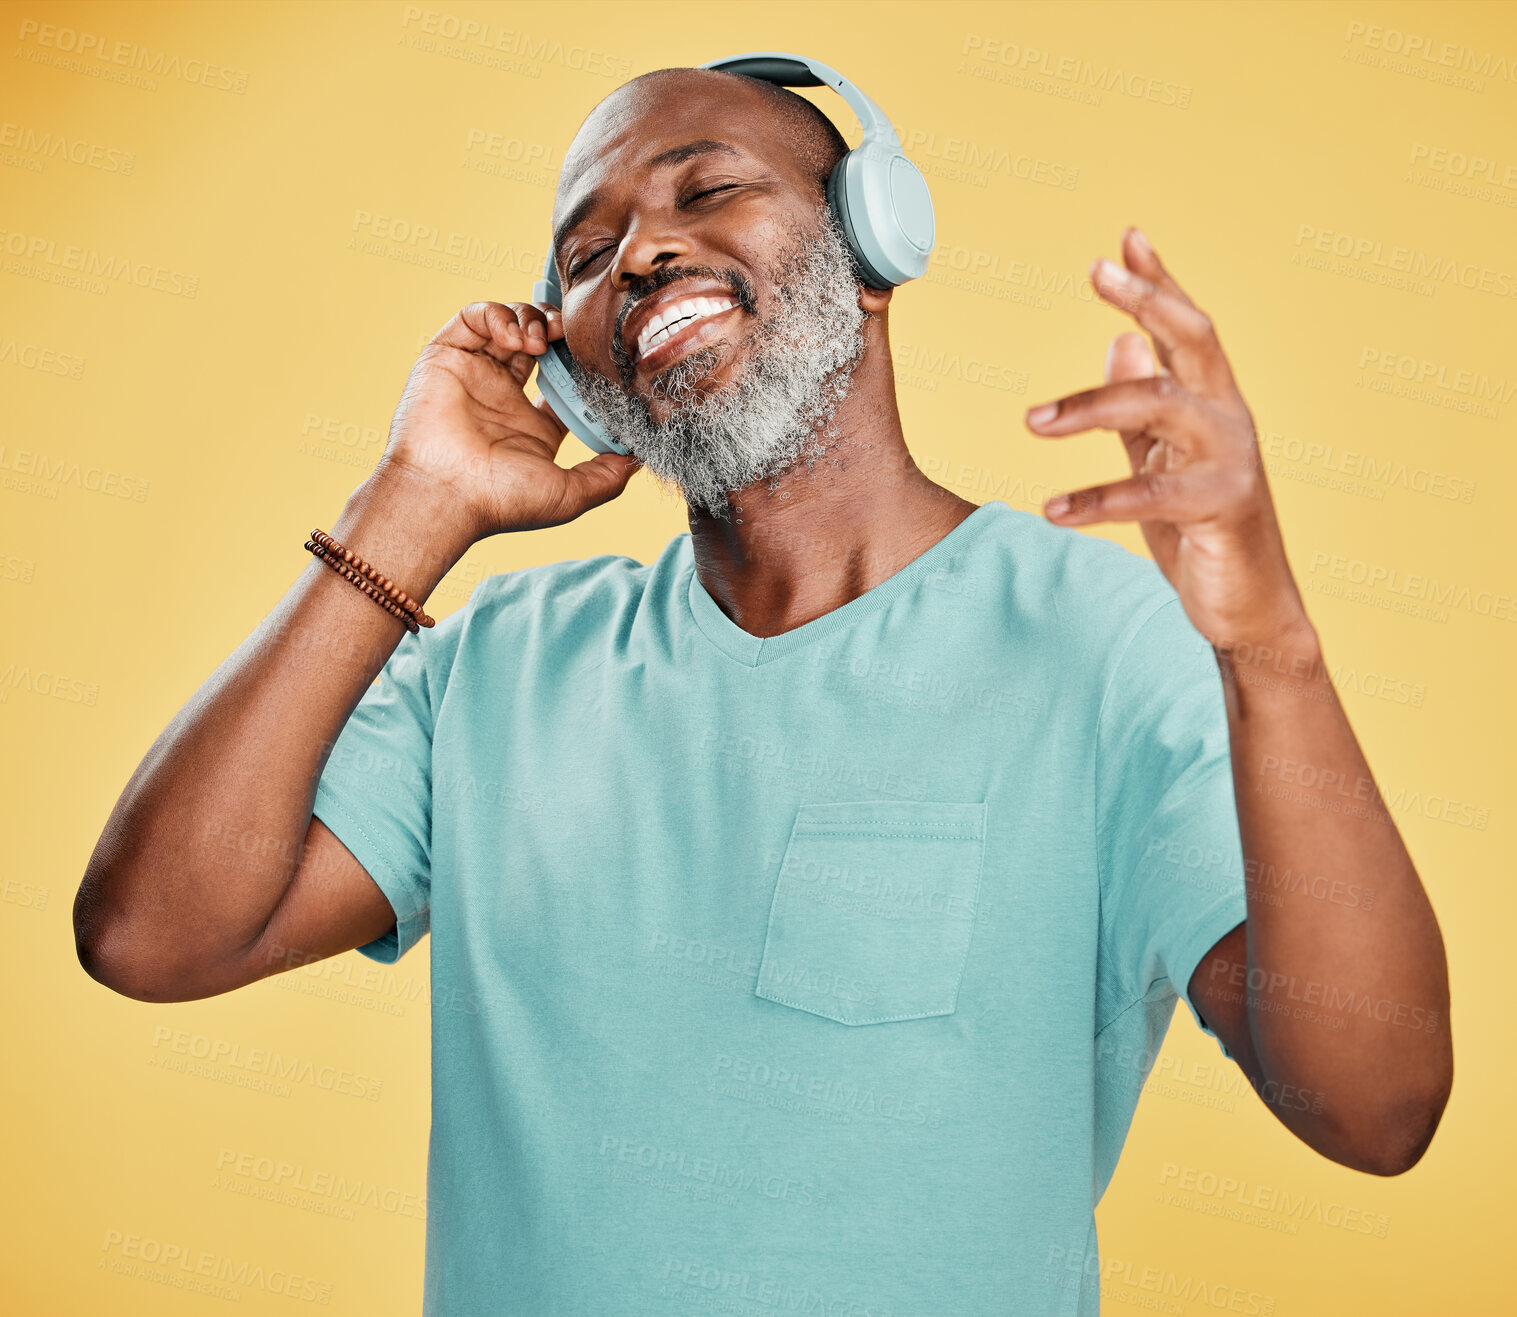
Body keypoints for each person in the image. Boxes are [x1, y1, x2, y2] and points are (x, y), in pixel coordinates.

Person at [75, 61, 1452, 1316]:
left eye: (708, 188)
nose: (642, 250)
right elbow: (152, 936)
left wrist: (1269, 646)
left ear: (872, 244)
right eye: (585, 250)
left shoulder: (1094, 639)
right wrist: (411, 506)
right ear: (568, 363)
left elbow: (1373, 1104)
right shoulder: (498, 665)